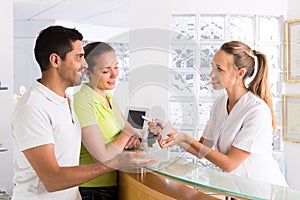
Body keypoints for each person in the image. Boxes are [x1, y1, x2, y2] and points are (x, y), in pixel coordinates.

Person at [11, 25, 156, 200]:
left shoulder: (65, 101)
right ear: (55, 61)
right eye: (79, 57)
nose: (84, 64)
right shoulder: (33, 108)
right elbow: (52, 179)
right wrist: (112, 164)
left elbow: (67, 163)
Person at [149, 41, 288, 187]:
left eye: (219, 69)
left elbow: (229, 164)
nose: (211, 75)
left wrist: (185, 138)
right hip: (237, 188)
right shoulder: (220, 103)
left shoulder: (256, 110)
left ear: (240, 73)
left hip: (263, 189)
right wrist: (174, 134)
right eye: (212, 67)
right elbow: (202, 150)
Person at [73, 42, 142, 200]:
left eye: (116, 67)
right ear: (88, 72)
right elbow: (101, 158)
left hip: (112, 184)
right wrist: (126, 136)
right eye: (105, 71)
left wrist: (131, 138)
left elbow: (130, 131)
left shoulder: (108, 97)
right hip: (93, 189)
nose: (114, 75)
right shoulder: (82, 102)